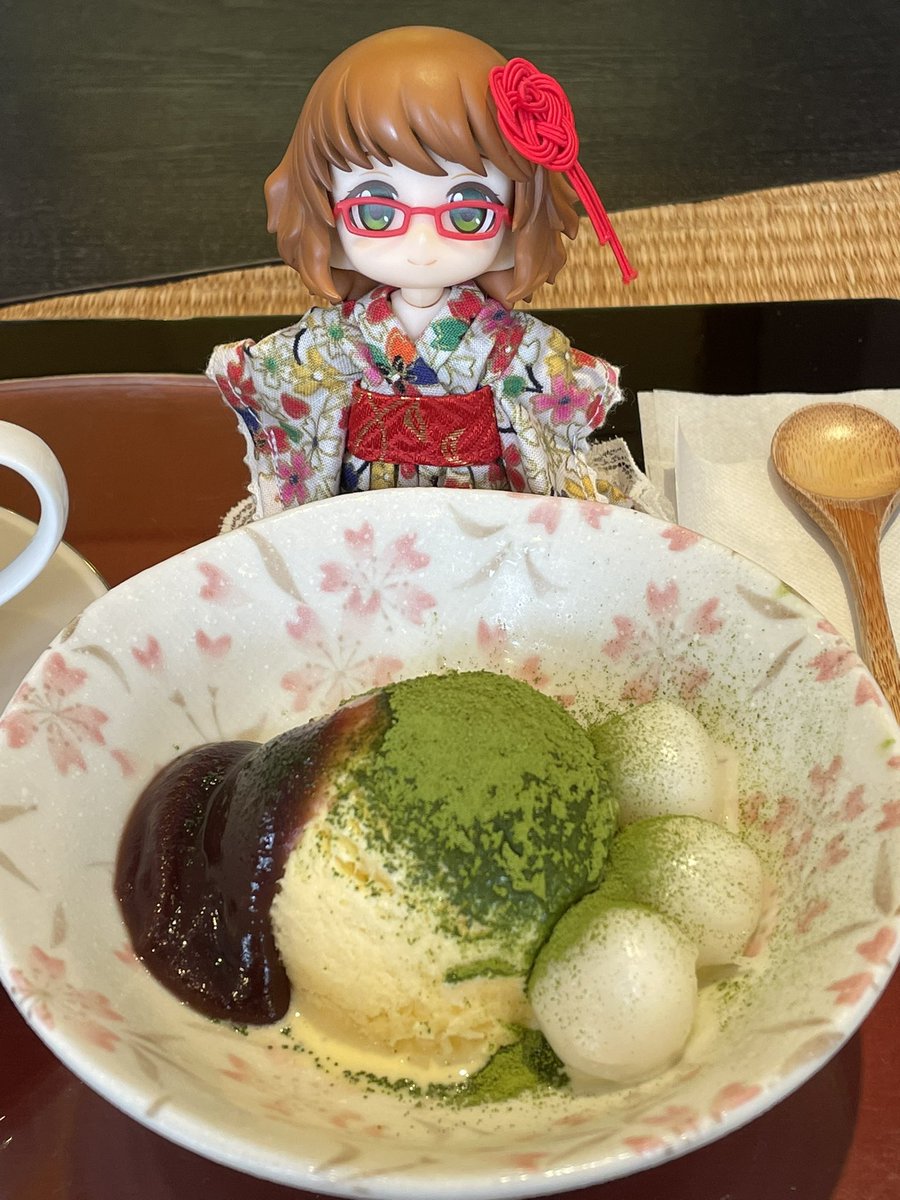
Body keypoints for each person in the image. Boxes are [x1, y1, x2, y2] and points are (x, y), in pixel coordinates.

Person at [207, 25, 661, 522]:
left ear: (516, 218)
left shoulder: (505, 346)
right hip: (366, 511)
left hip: (481, 505)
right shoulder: (339, 340)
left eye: (467, 214)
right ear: (325, 211)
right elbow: (290, 379)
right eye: (376, 213)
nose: (421, 245)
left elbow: (545, 395)